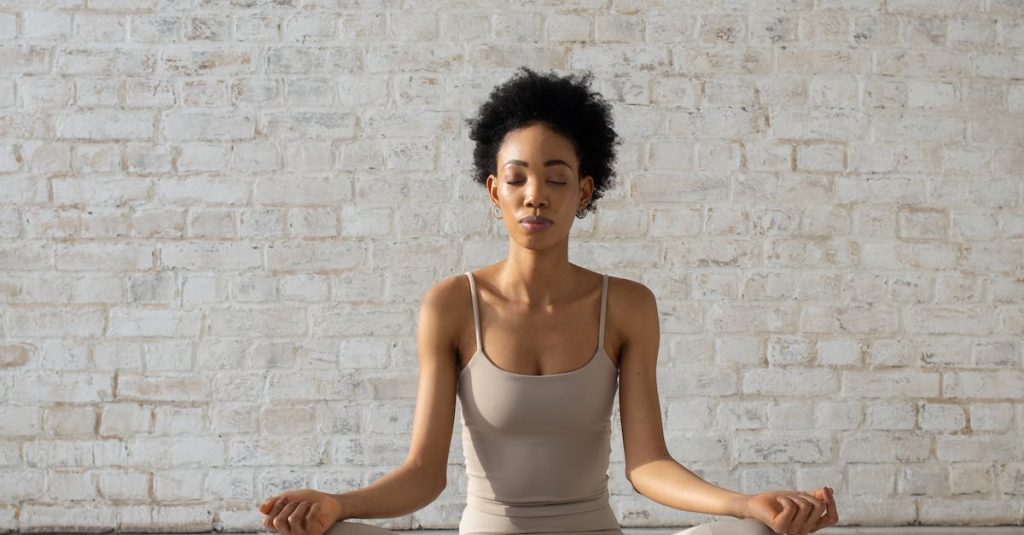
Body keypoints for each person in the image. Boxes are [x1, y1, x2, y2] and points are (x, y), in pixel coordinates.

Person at [257, 67, 839, 535]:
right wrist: (334, 503)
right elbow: (423, 474)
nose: (536, 196)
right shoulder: (451, 305)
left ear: (584, 190)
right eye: (517, 179)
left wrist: (745, 504)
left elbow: (648, 464)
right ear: (494, 191)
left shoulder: (628, 306)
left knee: (757, 533)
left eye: (556, 178)